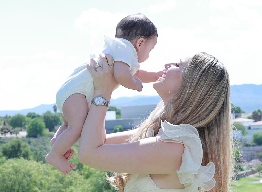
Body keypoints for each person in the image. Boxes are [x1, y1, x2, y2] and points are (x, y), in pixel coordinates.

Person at [78, 52, 232, 191]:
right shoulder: (162, 134)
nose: (167, 65)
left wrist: (103, 92)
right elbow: (98, 142)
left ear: (194, 85)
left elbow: (89, 154)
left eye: (178, 65)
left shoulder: (177, 149)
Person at [46, 13, 162, 174]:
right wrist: (134, 84)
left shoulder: (119, 51)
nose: (149, 55)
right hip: (77, 93)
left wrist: (155, 76)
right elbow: (123, 75)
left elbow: (135, 72)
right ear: (140, 43)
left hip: (73, 91)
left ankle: (57, 141)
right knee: (76, 127)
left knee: (69, 125)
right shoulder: (126, 49)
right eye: (151, 49)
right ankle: (54, 155)